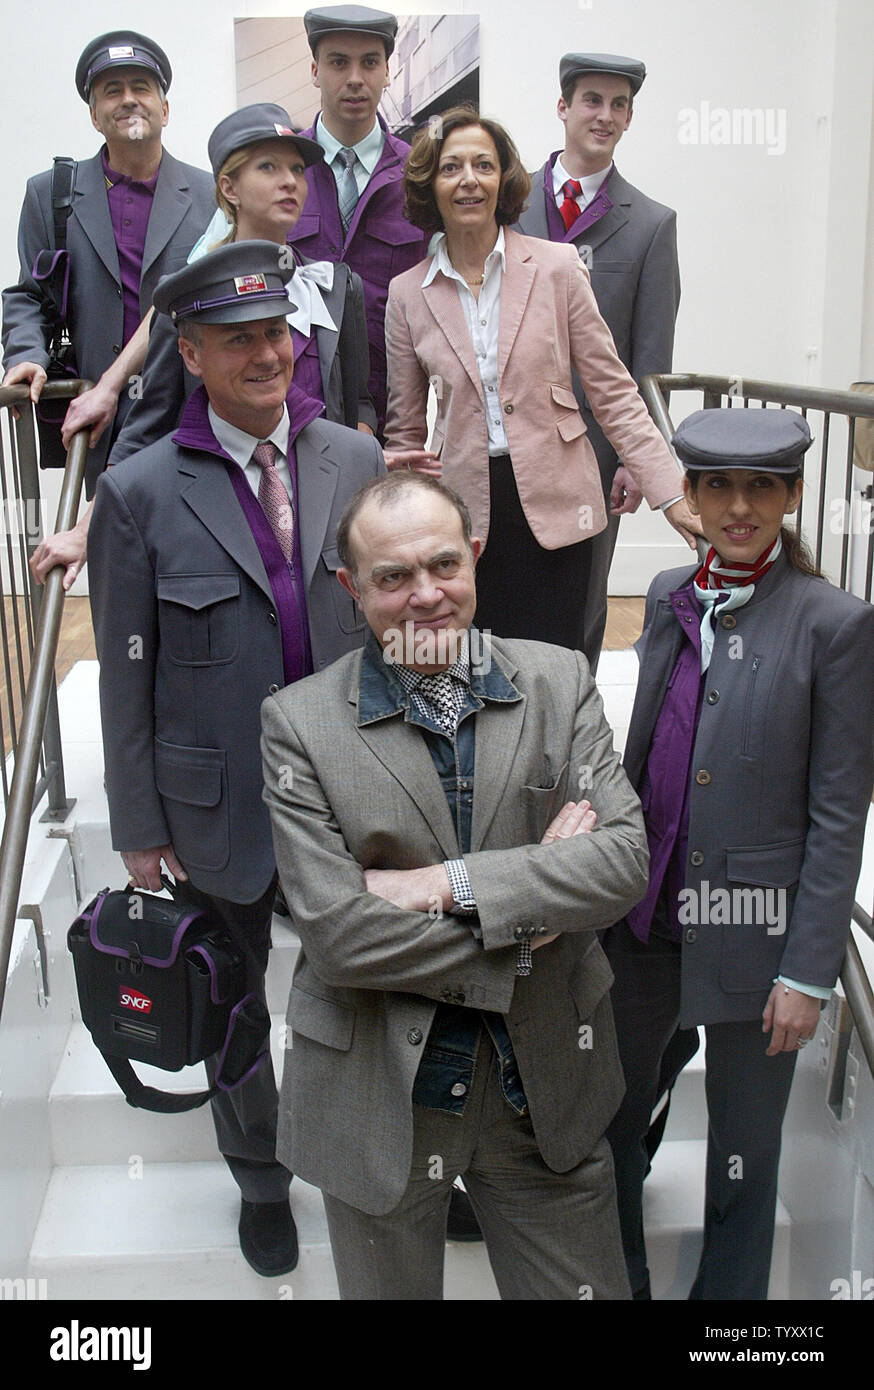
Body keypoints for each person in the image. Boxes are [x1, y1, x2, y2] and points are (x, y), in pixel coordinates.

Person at [260, 470, 652, 1300]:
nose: (426, 596)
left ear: (475, 556)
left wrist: (446, 884)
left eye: (444, 565)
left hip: (546, 1088)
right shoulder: (297, 724)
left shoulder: (559, 682)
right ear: (351, 587)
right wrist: (530, 912)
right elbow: (340, 934)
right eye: (394, 577)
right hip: (378, 1099)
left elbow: (620, 862)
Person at [87, 241, 384, 1278]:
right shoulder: (138, 493)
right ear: (192, 352)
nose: (267, 356)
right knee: (238, 1003)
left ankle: (370, 1154)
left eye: (277, 334)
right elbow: (126, 672)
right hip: (217, 805)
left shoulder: (355, 459)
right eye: (238, 340)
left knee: (368, 994)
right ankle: (260, 1176)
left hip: (347, 792)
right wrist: (137, 824)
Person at [602, 407, 874, 1300]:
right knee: (609, 1135)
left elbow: (839, 814)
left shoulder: (834, 626)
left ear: (793, 496)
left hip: (758, 940)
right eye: (718, 485)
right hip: (644, 922)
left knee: (741, 1167)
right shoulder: (670, 595)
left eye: (763, 487)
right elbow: (643, 752)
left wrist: (807, 973)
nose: (740, 506)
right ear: (691, 494)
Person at [384, 107, 700, 660]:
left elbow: (613, 392)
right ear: (429, 184)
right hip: (465, 516)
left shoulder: (557, 267)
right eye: (451, 167)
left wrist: (670, 491)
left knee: (556, 668)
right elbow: (405, 431)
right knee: (478, 669)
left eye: (484, 165)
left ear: (503, 179)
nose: (469, 180)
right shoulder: (407, 293)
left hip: (560, 508)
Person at [28, 102, 376, 590]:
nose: (290, 182)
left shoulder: (337, 290)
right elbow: (146, 426)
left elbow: (354, 405)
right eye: (268, 167)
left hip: (323, 527)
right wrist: (88, 529)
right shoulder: (188, 300)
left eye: (297, 168)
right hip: (221, 525)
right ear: (229, 188)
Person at [516, 53, 681, 672]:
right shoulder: (507, 205)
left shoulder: (652, 226)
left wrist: (642, 461)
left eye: (619, 105)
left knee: (581, 603)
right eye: (592, 100)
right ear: (563, 107)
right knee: (500, 589)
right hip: (509, 436)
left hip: (595, 449)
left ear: (630, 118)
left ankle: (572, 738)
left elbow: (651, 360)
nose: (604, 116)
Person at [1, 30, 214, 498]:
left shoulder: (211, 195)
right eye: (112, 91)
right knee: (114, 559)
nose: (128, 100)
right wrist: (25, 357)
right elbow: (28, 297)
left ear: (165, 107)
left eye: (141, 87)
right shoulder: (51, 195)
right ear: (94, 115)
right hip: (103, 421)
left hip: (193, 414)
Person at [288, 5, 430, 434]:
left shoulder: (420, 176)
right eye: (338, 62)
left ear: (388, 71)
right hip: (294, 413)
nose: (355, 77)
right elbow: (209, 263)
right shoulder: (280, 169)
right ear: (315, 70)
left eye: (369, 62)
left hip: (395, 414)